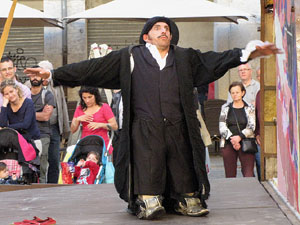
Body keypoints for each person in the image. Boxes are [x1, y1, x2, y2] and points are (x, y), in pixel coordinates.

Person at [24, 16, 281, 220]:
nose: (164, 31)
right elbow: (92, 68)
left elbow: (213, 61)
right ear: (146, 35)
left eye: (167, 28)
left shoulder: (183, 58)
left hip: (178, 123)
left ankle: (186, 199)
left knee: (181, 162)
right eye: (157, 28)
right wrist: (53, 75)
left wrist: (245, 53)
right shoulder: (131, 56)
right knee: (148, 162)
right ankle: (148, 199)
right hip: (144, 126)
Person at [38, 60, 70, 184]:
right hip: (39, 128)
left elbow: (62, 106)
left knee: (54, 159)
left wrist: (64, 128)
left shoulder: (57, 85)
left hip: (54, 127)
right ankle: (40, 184)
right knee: (41, 158)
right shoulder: (30, 85)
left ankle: (52, 185)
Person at [219, 82, 256, 178]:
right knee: (230, 174)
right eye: (232, 93)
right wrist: (233, 140)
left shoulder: (250, 108)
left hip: (246, 142)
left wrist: (239, 137)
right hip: (228, 142)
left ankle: (248, 192)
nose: (235, 95)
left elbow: (252, 126)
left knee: (248, 173)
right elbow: (222, 126)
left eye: (237, 92)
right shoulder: (225, 108)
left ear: (243, 93)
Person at [71, 86, 118, 155]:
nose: (87, 100)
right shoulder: (80, 108)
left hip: (102, 145)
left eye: (90, 97)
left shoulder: (104, 107)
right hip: (86, 145)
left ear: (95, 96)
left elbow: (115, 126)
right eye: (84, 98)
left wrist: (100, 125)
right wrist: (77, 119)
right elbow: (73, 130)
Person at [30, 72, 55, 183]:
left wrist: (27, 114)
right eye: (32, 75)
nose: (35, 78)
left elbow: (45, 117)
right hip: (26, 134)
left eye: (37, 75)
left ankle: (41, 190)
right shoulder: (24, 93)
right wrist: (37, 114)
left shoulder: (47, 95)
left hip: (43, 134)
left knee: (42, 167)